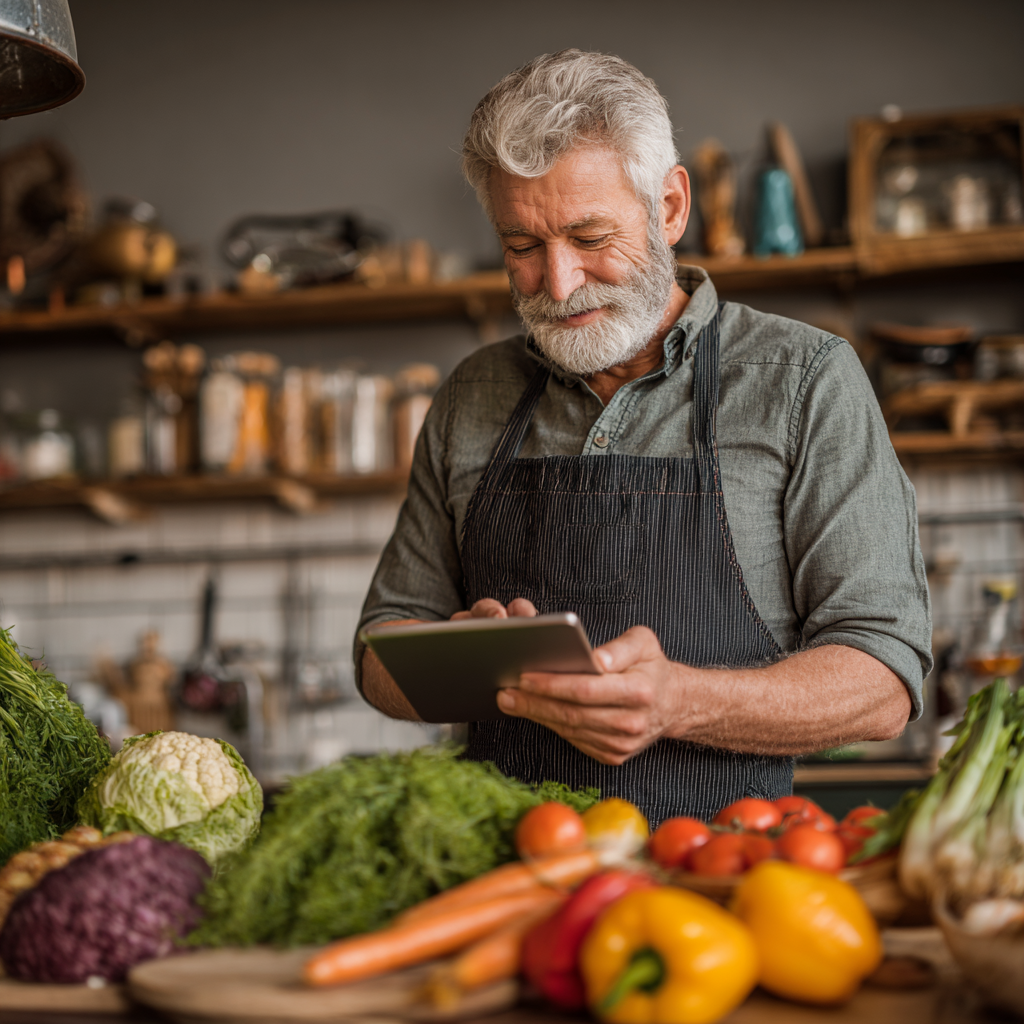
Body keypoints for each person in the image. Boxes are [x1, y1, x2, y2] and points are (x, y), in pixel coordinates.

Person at [355, 50, 931, 825]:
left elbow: (883, 681)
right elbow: (380, 654)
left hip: (725, 880)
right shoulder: (474, 394)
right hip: (504, 882)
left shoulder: (804, 380)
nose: (557, 284)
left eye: (589, 236)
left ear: (668, 205)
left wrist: (680, 702)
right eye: (522, 248)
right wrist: (465, 662)